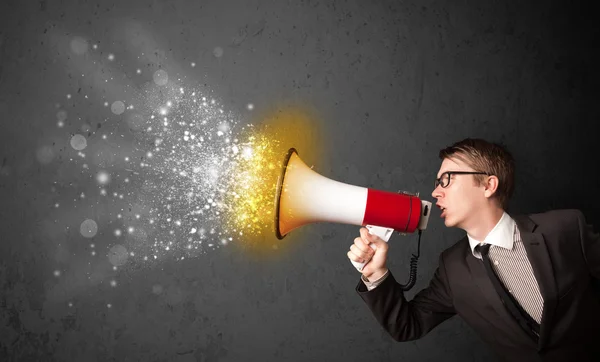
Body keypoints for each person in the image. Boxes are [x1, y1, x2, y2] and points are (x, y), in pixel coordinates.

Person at [347, 138, 600, 362]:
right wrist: (376, 273)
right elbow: (407, 326)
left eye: (447, 179)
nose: (435, 192)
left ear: (489, 185)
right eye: (437, 183)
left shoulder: (565, 228)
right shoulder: (452, 268)